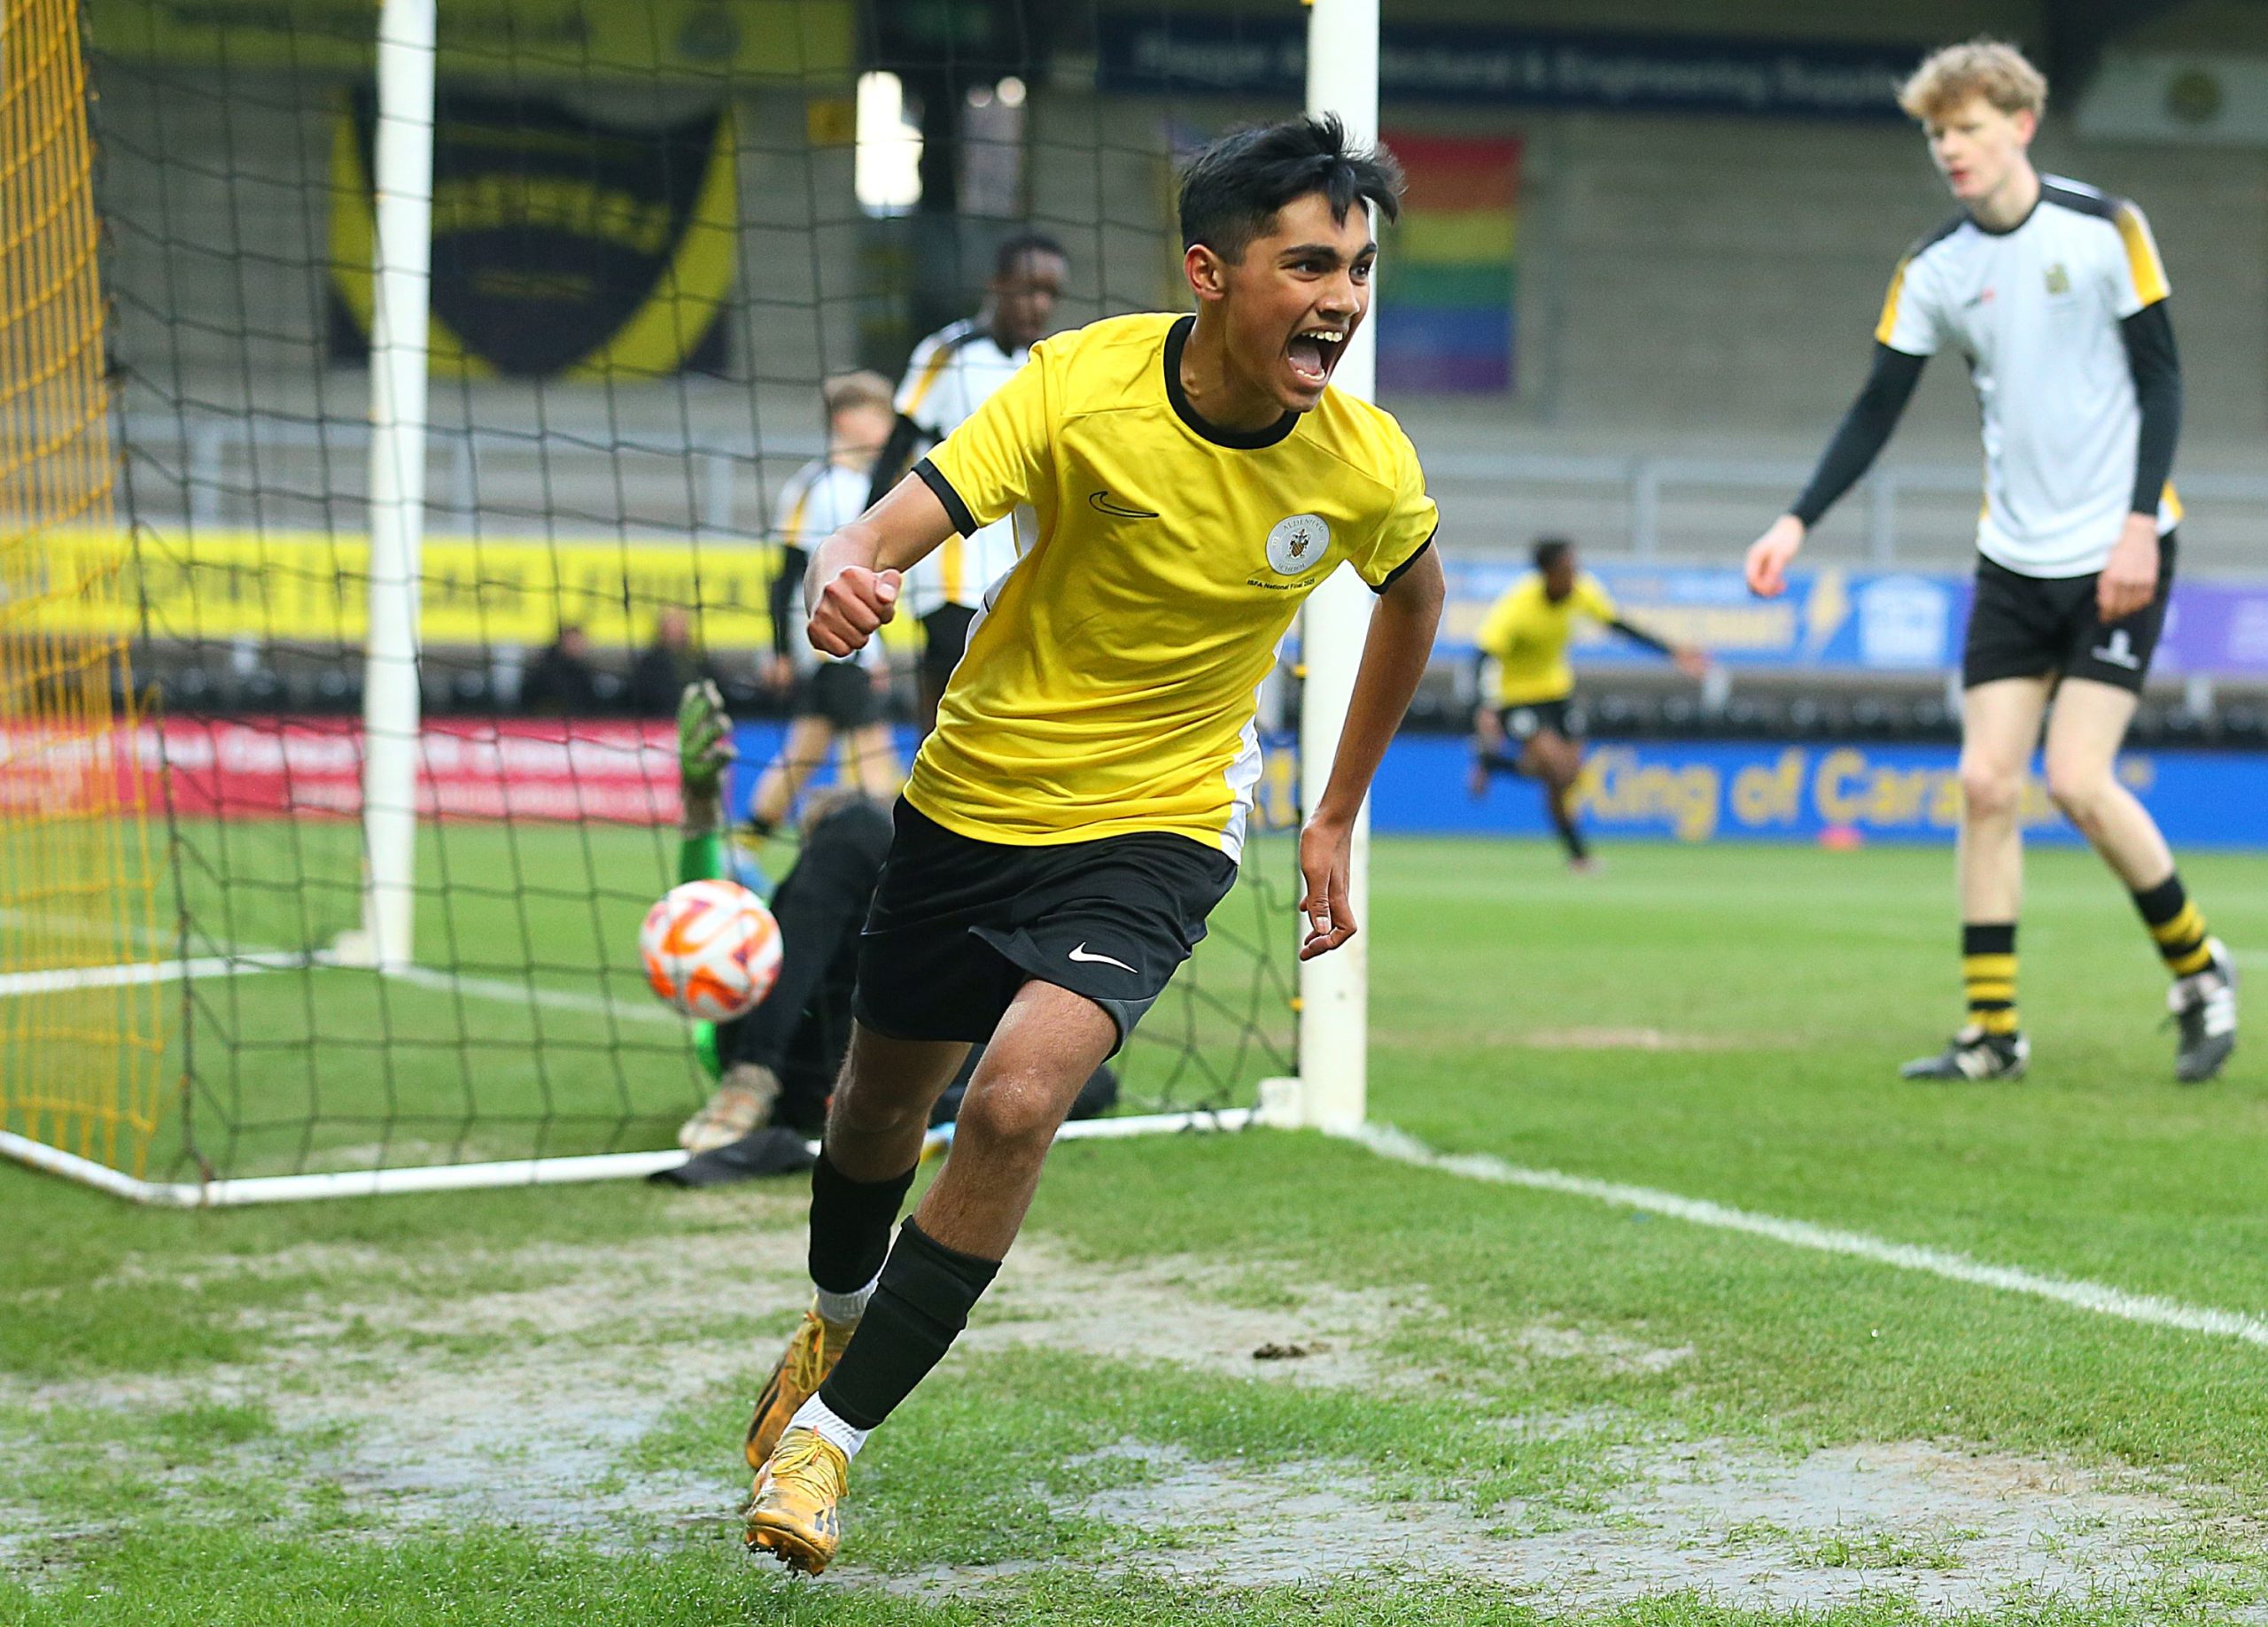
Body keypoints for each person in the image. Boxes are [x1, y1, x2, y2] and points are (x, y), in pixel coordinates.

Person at [741, 114, 1444, 1575]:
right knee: (871, 1108)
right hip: (974, 796)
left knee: (1013, 1104)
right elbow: (889, 526)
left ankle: (827, 1445)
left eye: (1360, 268)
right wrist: (846, 569)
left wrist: (1332, 812)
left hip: (1161, 826)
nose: (1342, 298)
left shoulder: (1364, 462)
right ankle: (839, 1318)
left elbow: (1416, 598)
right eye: (1310, 265)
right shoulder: (1078, 385)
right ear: (1211, 273)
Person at [1741, 38, 2236, 1085]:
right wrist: (1795, 522)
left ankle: (2199, 970)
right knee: (1981, 783)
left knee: (2078, 782)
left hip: (2118, 549)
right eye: (1936, 133)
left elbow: (2163, 382)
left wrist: (2136, 525)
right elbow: (1875, 409)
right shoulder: (1933, 269)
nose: (1949, 150)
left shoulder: (2106, 228)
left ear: (2020, 124)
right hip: (2011, 559)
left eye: (1966, 128)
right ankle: (1992, 1033)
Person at [670, 683, 1116, 1166]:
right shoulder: (771, 928)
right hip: (789, 1048)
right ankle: (753, 1075)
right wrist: (701, 808)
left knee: (1086, 1079)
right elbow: (705, 911)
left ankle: (901, 1108)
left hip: (865, 1058)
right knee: (861, 824)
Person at [866, 231, 1070, 734]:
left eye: (1051, 293)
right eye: (1029, 288)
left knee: (1004, 709)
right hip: (949, 567)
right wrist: (868, 541)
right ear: (997, 284)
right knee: (948, 705)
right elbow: (897, 447)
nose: (1040, 304)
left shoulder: (1046, 366)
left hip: (1014, 565)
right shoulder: (949, 353)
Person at [1466, 537, 1708, 869]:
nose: (1574, 576)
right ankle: (1579, 855)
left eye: (1575, 568)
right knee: (1555, 768)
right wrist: (1484, 706)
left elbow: (1619, 625)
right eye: (1567, 570)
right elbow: (1483, 655)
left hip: (1558, 692)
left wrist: (1674, 652)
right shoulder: (1517, 605)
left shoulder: (1582, 591)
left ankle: (1493, 763)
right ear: (1548, 573)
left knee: (1568, 776)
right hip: (1518, 698)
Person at [747, 372, 905, 836]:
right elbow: (786, 576)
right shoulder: (814, 488)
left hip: (852, 647)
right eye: (879, 417)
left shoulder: (872, 488)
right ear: (845, 421)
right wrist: (780, 649)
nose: (887, 428)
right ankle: (884, 859)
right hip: (830, 646)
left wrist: (877, 650)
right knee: (875, 764)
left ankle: (742, 851)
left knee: (803, 756)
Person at [628, 606, 712, 716]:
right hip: (660, 719)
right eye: (673, 626)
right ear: (662, 629)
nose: (678, 630)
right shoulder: (650, 664)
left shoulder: (698, 661)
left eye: (681, 625)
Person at [521, 623, 602, 715]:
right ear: (563, 642)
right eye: (574, 642)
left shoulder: (581, 671)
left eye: (580, 642)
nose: (579, 646)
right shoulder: (547, 671)